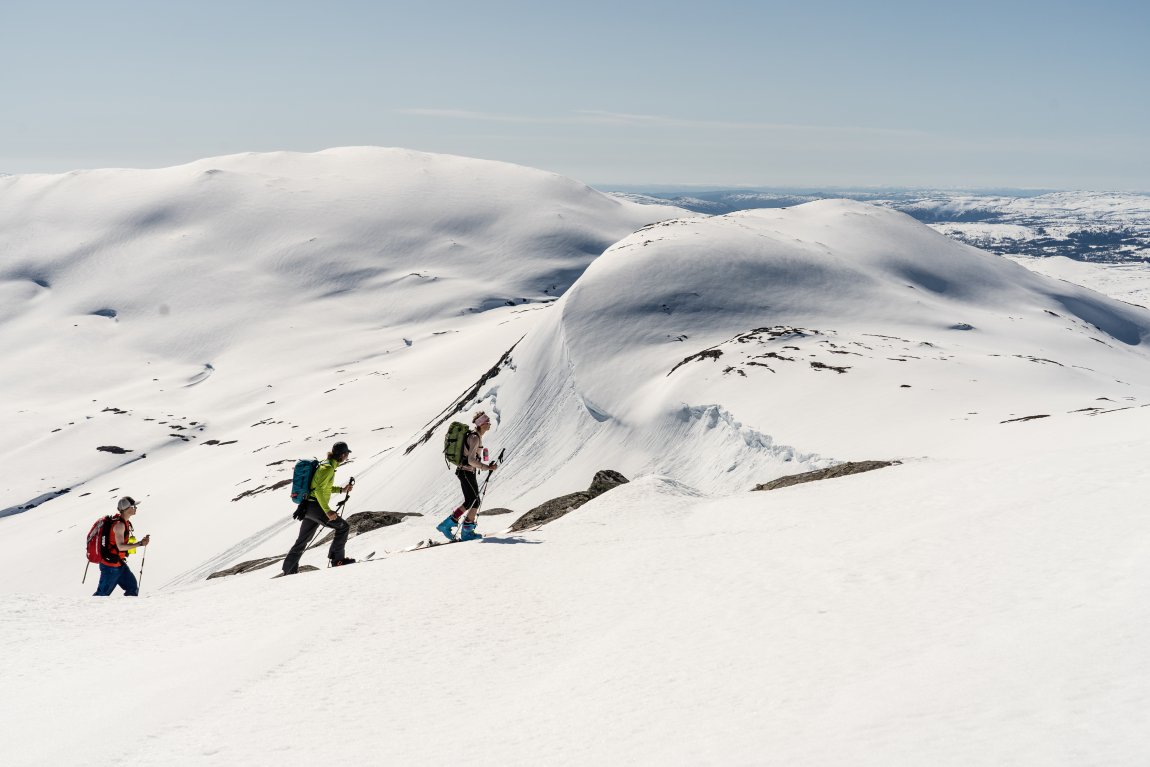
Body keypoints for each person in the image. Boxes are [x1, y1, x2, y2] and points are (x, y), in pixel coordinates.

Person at [282, 441, 356, 574]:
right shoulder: (327, 468)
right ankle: (338, 560)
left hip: (308, 507)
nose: (347, 457)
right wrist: (327, 511)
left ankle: (289, 570)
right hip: (315, 507)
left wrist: (341, 490)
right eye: (347, 454)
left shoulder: (326, 465)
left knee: (302, 540)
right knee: (343, 527)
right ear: (342, 455)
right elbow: (318, 491)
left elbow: (322, 487)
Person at [436, 411, 498, 541]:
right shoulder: (475, 438)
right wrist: (486, 467)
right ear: (481, 424)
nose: (489, 424)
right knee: (475, 501)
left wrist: (484, 465)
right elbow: (471, 460)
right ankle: (466, 532)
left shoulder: (475, 436)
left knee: (470, 501)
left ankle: (447, 525)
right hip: (466, 471)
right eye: (487, 422)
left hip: (464, 472)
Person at [93, 496, 151, 597]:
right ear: (126, 509)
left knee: (132, 588)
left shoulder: (125, 522)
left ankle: (128, 607)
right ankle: (85, 608)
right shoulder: (120, 525)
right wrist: (140, 543)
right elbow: (120, 547)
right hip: (110, 567)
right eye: (133, 506)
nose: (135, 508)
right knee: (101, 596)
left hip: (118, 564)